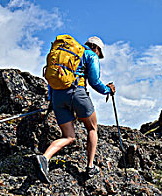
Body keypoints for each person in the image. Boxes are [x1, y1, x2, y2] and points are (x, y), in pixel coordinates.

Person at [36, 36, 115, 183]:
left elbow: (51, 80)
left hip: (58, 97)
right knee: (92, 128)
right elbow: (95, 81)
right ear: (96, 48)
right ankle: (90, 167)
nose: (99, 56)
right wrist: (107, 91)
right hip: (77, 93)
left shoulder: (67, 54)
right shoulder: (90, 55)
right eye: (99, 53)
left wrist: (52, 100)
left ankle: (45, 158)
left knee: (69, 137)